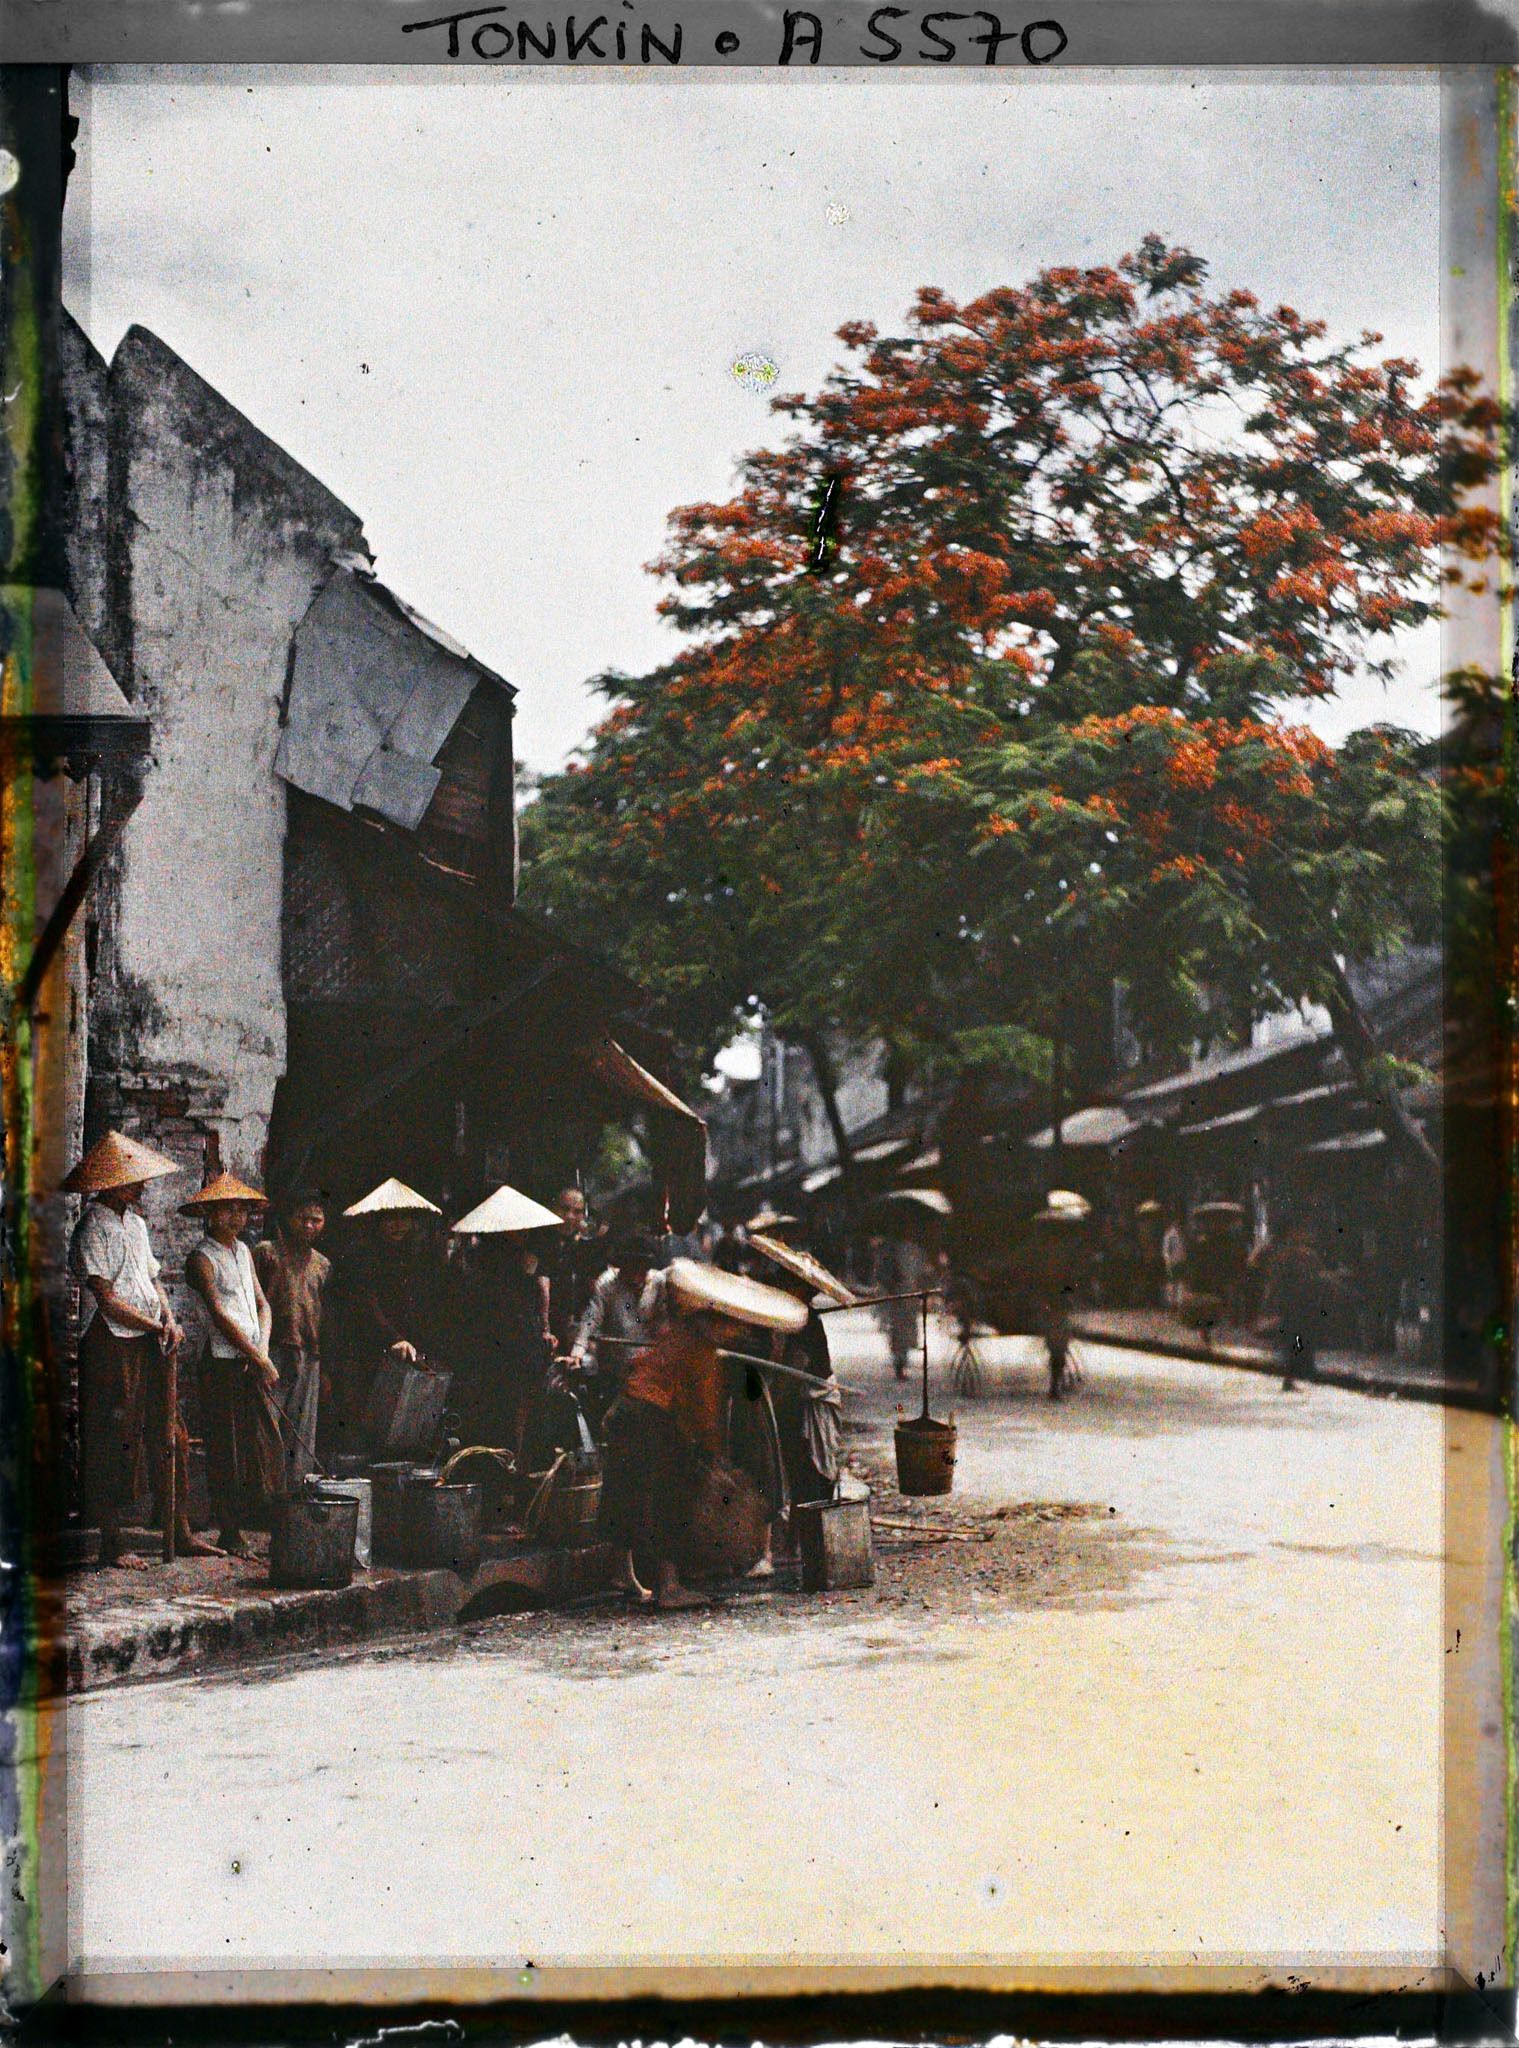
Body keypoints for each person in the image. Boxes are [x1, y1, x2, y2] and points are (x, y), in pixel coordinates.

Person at [64, 1130, 212, 1566]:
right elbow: (107, 1298)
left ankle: (178, 1528)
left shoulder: (137, 1224)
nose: (141, 1186)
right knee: (116, 1437)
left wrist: (168, 1319)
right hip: (112, 1342)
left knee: (173, 1433)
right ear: (111, 1184)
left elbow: (152, 1281)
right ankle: (113, 1542)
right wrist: (154, 1325)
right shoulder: (92, 1226)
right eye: (132, 1180)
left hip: (150, 1339)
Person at [183, 1173, 285, 1558]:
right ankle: (229, 1530)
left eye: (241, 1210)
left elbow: (263, 1304)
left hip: (249, 1360)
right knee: (225, 1446)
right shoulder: (201, 1258)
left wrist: (262, 1348)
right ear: (210, 1214)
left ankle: (249, 1520)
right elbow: (219, 1314)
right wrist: (257, 1356)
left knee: (254, 1443)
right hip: (221, 1362)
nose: (236, 1218)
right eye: (228, 1209)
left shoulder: (243, 1251)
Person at [326, 1178, 443, 1458]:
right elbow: (364, 1303)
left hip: (405, 1349)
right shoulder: (360, 1255)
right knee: (364, 1420)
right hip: (365, 1346)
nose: (398, 1225)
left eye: (404, 1218)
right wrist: (393, 1338)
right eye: (390, 1219)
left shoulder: (416, 1255)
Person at [253, 1190, 330, 1487]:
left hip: (308, 1355)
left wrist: (323, 1365)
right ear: (288, 1219)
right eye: (302, 1218)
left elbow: (323, 1315)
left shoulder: (322, 1264)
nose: (309, 1225)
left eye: (316, 1220)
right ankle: (264, 1495)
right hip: (271, 1352)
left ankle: (295, 1496)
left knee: (301, 1432)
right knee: (265, 1427)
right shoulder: (266, 1253)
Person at [566, 1230, 661, 1434]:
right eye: (630, 1269)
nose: (636, 1276)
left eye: (641, 1270)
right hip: (615, 1367)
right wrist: (577, 1351)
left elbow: (667, 1322)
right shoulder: (607, 1284)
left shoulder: (659, 1284)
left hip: (648, 1368)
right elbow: (591, 1318)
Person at [1255, 1219, 1334, 1392]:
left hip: (1302, 1303)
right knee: (1294, 1338)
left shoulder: (1300, 1254)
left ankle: (1301, 1372)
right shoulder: (1288, 1255)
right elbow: (1275, 1280)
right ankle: (1293, 1375)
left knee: (1301, 1337)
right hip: (1294, 1303)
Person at [542, 1185, 605, 1354]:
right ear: (553, 1209)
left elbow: (595, 1293)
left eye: (577, 1212)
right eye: (564, 1209)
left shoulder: (587, 1247)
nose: (570, 1216)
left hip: (576, 1328)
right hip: (544, 1326)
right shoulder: (541, 1242)